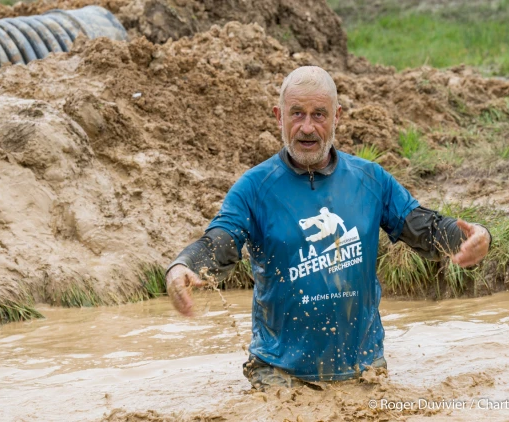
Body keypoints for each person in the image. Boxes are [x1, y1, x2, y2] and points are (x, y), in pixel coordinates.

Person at [165, 66, 491, 390]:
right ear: (279, 117)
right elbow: (222, 239)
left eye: (319, 114)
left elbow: (424, 227)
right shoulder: (254, 188)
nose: (307, 127)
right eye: (297, 114)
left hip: (365, 370)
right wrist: (184, 265)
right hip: (279, 375)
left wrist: (475, 235)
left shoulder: (371, 180)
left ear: (337, 117)